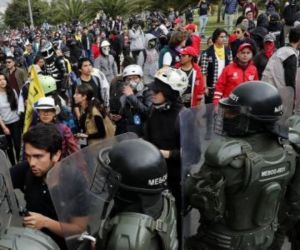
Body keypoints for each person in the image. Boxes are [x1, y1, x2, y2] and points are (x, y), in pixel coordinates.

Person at [184, 81, 300, 250]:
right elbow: (293, 204)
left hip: (219, 243)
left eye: (233, 112)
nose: (227, 116)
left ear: (251, 119)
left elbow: (191, 193)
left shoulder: (228, 159)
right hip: (266, 239)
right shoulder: (289, 152)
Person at [9, 123, 86, 250]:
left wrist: (45, 222)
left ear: (56, 155)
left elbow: (79, 230)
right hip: (30, 242)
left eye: (38, 156)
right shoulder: (26, 169)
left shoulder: (75, 180)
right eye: (28, 156)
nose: (32, 163)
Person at [96, 138, 178, 249]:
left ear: (129, 185)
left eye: (110, 178)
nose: (106, 180)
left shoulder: (126, 239)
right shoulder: (161, 197)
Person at [144, 67, 188, 248]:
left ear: (170, 93)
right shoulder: (154, 110)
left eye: (157, 90)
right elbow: (146, 136)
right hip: (153, 175)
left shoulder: (183, 116)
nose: (152, 93)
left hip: (175, 179)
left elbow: (194, 153)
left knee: (174, 219)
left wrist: (169, 154)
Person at [200, 28, 233, 139]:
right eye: (221, 37)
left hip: (225, 86)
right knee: (210, 110)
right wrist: (205, 87)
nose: (224, 39)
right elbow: (203, 71)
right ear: (215, 38)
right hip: (211, 86)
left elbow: (231, 68)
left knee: (225, 110)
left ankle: (223, 129)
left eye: (225, 37)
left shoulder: (228, 51)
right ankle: (208, 130)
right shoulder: (207, 53)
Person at [110, 64, 152, 136]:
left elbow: (147, 112)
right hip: (126, 132)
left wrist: (131, 96)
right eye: (128, 79)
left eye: (135, 78)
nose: (132, 81)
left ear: (141, 79)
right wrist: (119, 117)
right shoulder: (124, 94)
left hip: (141, 133)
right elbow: (127, 113)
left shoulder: (147, 92)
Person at [262, 25, 300, 90]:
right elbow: (290, 85)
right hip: (274, 94)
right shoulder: (291, 55)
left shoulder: (281, 50)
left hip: (266, 90)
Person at [0, 73, 21, 165]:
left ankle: (19, 161)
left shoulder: (12, 91)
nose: (2, 81)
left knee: (17, 145)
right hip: (4, 124)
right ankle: (13, 164)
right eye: (0, 80)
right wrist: (4, 127)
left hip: (15, 121)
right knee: (8, 147)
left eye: (4, 79)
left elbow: (17, 106)